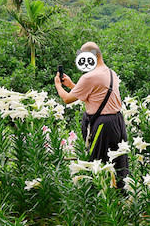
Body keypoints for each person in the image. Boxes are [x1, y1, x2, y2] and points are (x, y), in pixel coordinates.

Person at [54, 41, 129, 187]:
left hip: (103, 125)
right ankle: (121, 199)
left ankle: (100, 201)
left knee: (98, 163)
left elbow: (67, 99)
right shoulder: (110, 73)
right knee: (118, 162)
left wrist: (58, 84)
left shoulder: (89, 77)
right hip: (117, 122)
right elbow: (94, 96)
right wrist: (71, 85)